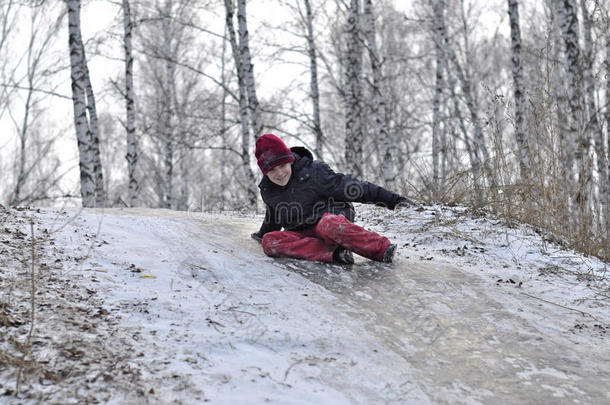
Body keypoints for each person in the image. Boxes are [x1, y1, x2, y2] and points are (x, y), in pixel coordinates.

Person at [251, 133, 413, 264]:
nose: (279, 173)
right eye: (272, 171)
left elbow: (354, 188)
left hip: (330, 221)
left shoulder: (314, 172)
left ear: (290, 161)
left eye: (282, 166)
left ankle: (380, 249)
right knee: (269, 242)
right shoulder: (268, 190)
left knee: (329, 225)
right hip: (302, 234)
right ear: (265, 173)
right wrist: (263, 234)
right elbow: (273, 217)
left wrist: (393, 200)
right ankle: (335, 253)